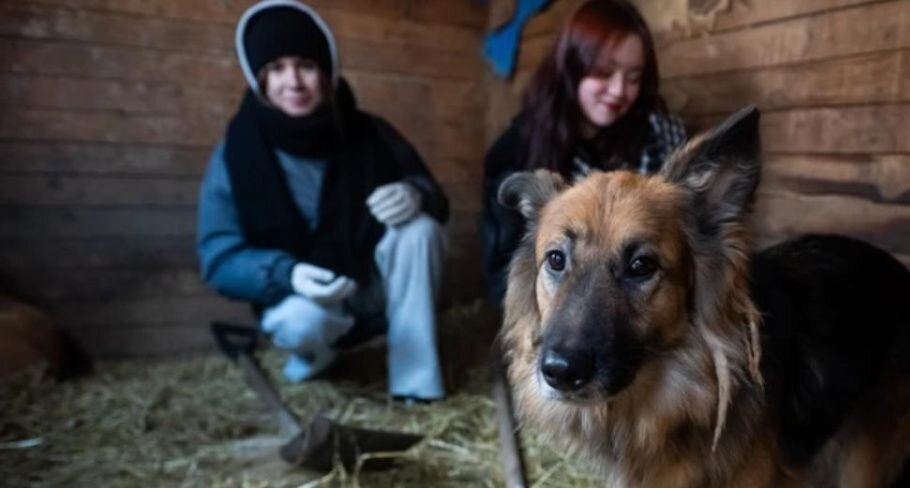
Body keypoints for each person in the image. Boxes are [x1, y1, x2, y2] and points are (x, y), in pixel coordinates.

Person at [198, 0, 448, 402]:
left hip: (368, 288)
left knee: (420, 231)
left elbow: (434, 195)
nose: (293, 82)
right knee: (301, 321)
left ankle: (415, 384)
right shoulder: (235, 153)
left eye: (306, 65)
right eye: (276, 69)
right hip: (301, 300)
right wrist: (286, 273)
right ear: (259, 80)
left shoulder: (370, 133)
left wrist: (415, 193)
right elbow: (217, 258)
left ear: (327, 72)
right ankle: (316, 358)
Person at [480, 0, 686, 305]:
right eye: (603, 72)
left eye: (633, 77)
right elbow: (504, 270)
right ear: (572, 69)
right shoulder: (518, 147)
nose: (618, 90)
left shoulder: (660, 134)